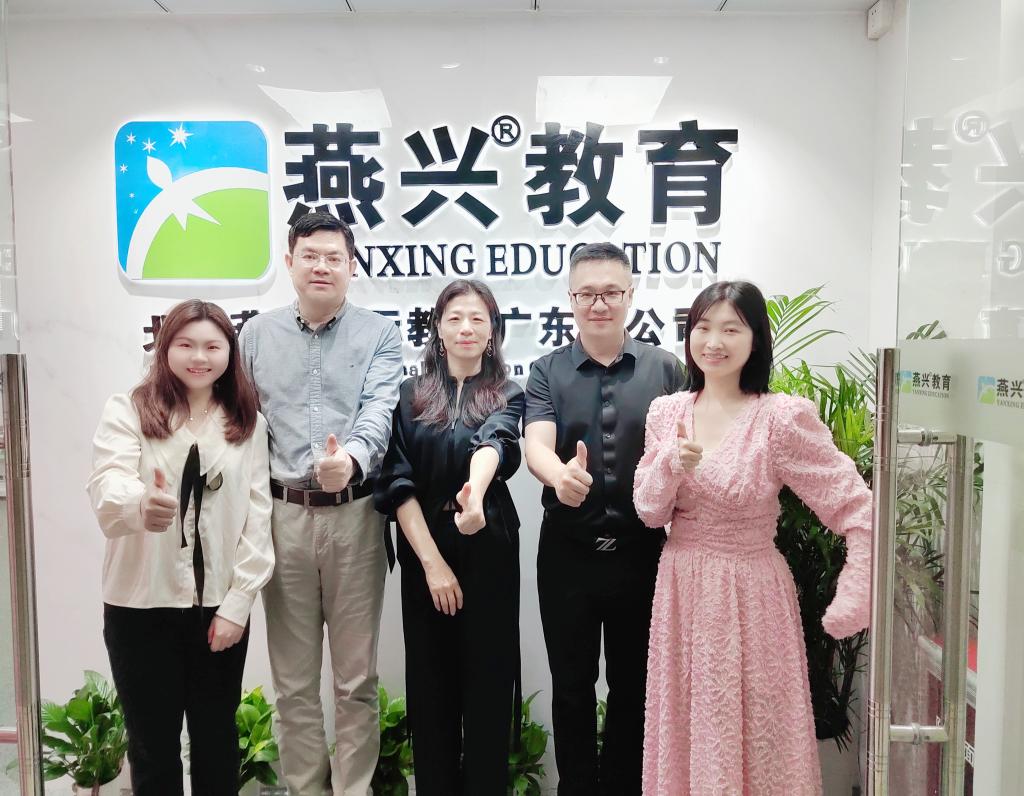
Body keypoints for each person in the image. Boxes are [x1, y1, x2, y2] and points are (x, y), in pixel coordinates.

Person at [633, 280, 872, 795]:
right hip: (681, 589)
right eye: (702, 328)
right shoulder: (666, 412)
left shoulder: (780, 417)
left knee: (755, 733)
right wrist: (670, 464)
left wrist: (860, 580)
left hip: (750, 594)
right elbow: (649, 512)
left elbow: (854, 502)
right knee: (688, 728)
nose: (713, 342)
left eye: (730, 329)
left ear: (756, 339)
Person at [238, 212, 403, 796]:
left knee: (356, 682)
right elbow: (239, 425)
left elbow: (380, 409)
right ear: (289, 263)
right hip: (282, 519)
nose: (322, 266)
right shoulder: (255, 336)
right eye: (310, 255)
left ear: (351, 266)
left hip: (355, 518)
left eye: (334, 257)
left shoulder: (380, 334)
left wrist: (351, 460)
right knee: (293, 684)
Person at [87, 299, 274, 795]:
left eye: (213, 346)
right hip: (140, 607)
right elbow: (108, 481)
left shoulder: (247, 423)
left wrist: (239, 602)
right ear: (164, 347)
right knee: (152, 748)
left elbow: (259, 517)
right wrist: (139, 504)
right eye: (186, 344)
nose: (199, 357)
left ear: (229, 353)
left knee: (217, 743)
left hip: (218, 611)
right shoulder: (128, 409)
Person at [523, 242, 686, 796]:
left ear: (630, 295)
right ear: (570, 299)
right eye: (587, 293)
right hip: (567, 555)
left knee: (633, 687)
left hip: (643, 555)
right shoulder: (546, 371)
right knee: (571, 688)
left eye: (611, 292)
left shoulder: (665, 369)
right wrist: (558, 475)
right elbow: (536, 443)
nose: (599, 304)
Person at [375, 279, 524, 796]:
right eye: (455, 317)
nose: (466, 328)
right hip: (425, 547)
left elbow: (495, 443)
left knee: (488, 688)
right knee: (430, 691)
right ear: (437, 328)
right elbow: (396, 481)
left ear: (493, 331)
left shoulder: (509, 393)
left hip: (488, 541)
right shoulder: (408, 396)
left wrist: (475, 496)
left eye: (478, 318)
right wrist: (433, 565)